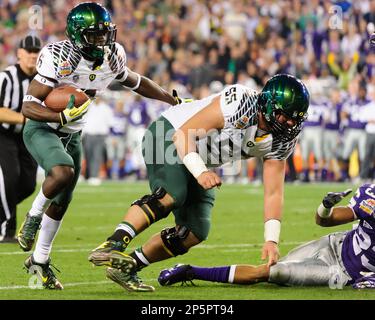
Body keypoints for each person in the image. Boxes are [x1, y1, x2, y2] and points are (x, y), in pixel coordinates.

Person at [88, 73, 310, 292]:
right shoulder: (242, 103)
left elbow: (274, 192)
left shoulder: (285, 136)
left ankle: (130, 266)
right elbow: (183, 135)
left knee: (195, 230)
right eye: (285, 116)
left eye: (295, 118)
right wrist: (200, 172)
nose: (290, 123)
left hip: (199, 157)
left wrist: (272, 240)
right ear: (268, 105)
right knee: (172, 194)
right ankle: (114, 243)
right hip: (169, 133)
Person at [17, 2, 179, 289]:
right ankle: (32, 216)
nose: (102, 41)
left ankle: (40, 261)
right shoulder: (58, 55)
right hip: (43, 127)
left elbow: (136, 81)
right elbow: (28, 106)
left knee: (63, 202)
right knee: (62, 172)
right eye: (94, 35)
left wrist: (169, 98)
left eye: (105, 34)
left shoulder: (112, 56)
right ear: (77, 34)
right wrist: (60, 114)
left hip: (73, 134)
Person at [158, 183, 375, 290]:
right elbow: (324, 221)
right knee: (275, 267)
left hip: (342, 271)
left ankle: (190, 271)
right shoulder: (370, 195)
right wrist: (326, 206)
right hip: (335, 244)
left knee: (274, 273)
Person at [0, 35, 42, 243]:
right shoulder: (6, 77)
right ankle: (6, 231)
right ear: (19, 53)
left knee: (28, 184)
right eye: (29, 51)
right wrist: (25, 119)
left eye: (36, 52)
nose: (33, 56)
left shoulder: (43, 79)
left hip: (26, 137)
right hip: (4, 134)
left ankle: (2, 209)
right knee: (9, 178)